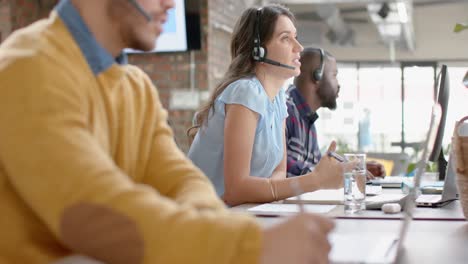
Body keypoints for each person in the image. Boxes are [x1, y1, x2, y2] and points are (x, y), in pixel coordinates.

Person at [0, 1, 335, 263]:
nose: (172, 5)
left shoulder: (134, 87)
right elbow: (93, 211)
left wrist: (224, 236)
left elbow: (183, 181)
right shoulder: (29, 68)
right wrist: (246, 247)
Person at [188, 5, 349, 207]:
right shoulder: (245, 91)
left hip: (241, 214)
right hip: (202, 219)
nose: (298, 47)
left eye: (295, 37)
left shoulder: (278, 98)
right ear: (258, 50)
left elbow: (279, 173)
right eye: (285, 38)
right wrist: (315, 181)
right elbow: (235, 190)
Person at [285, 47, 386, 178]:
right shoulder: (286, 110)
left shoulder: (307, 118)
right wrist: (343, 173)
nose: (338, 85)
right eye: (334, 75)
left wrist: (353, 167)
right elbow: (280, 167)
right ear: (317, 75)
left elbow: (315, 167)